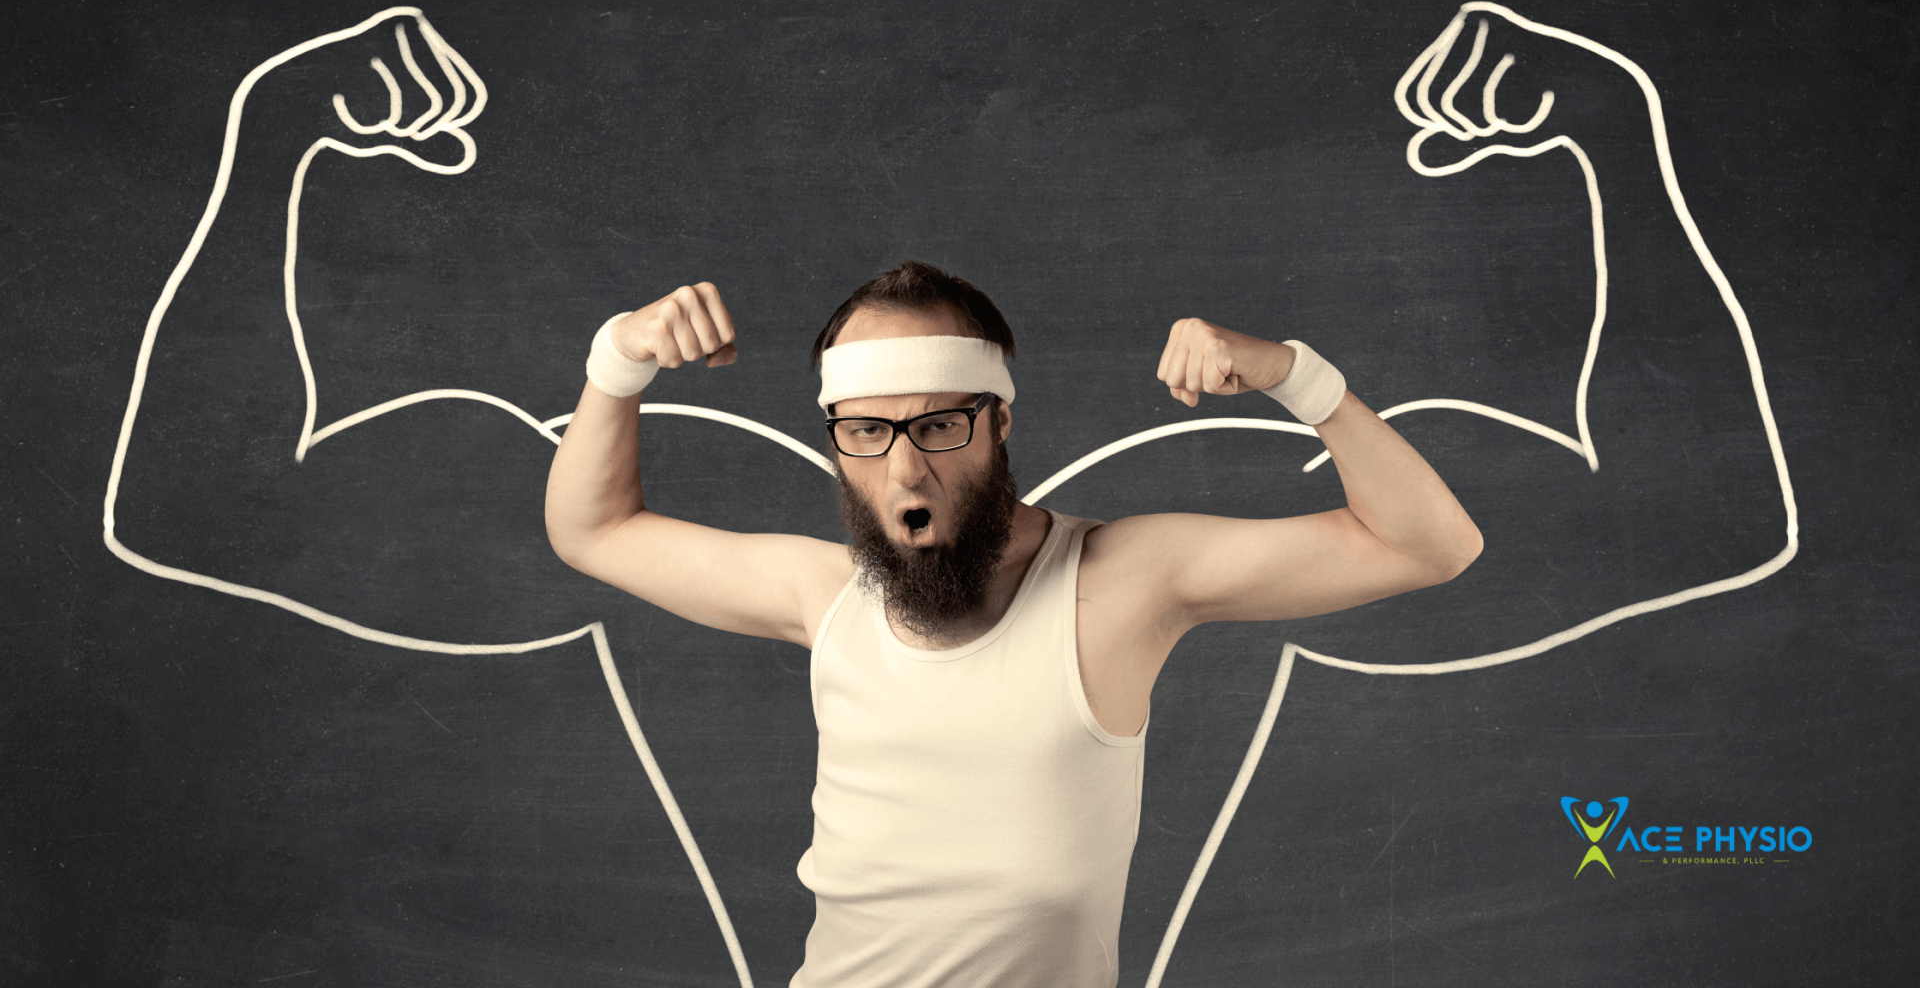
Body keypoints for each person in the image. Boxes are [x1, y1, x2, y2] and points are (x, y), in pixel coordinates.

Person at [544, 261, 1481, 988]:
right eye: (866, 432)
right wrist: (618, 360)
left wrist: (1294, 376)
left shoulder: (1121, 584)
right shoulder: (823, 595)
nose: (904, 474)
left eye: (939, 427)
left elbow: (1428, 546)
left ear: (999, 424)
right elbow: (593, 529)